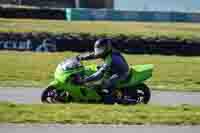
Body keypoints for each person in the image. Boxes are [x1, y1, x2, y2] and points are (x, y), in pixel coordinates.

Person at [77, 38, 130, 104]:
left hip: (121, 73)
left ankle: (115, 99)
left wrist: (85, 80)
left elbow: (100, 74)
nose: (98, 52)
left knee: (106, 83)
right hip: (113, 69)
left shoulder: (110, 58)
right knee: (94, 70)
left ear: (106, 48)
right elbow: (94, 55)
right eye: (97, 49)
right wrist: (81, 57)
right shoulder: (106, 53)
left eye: (100, 49)